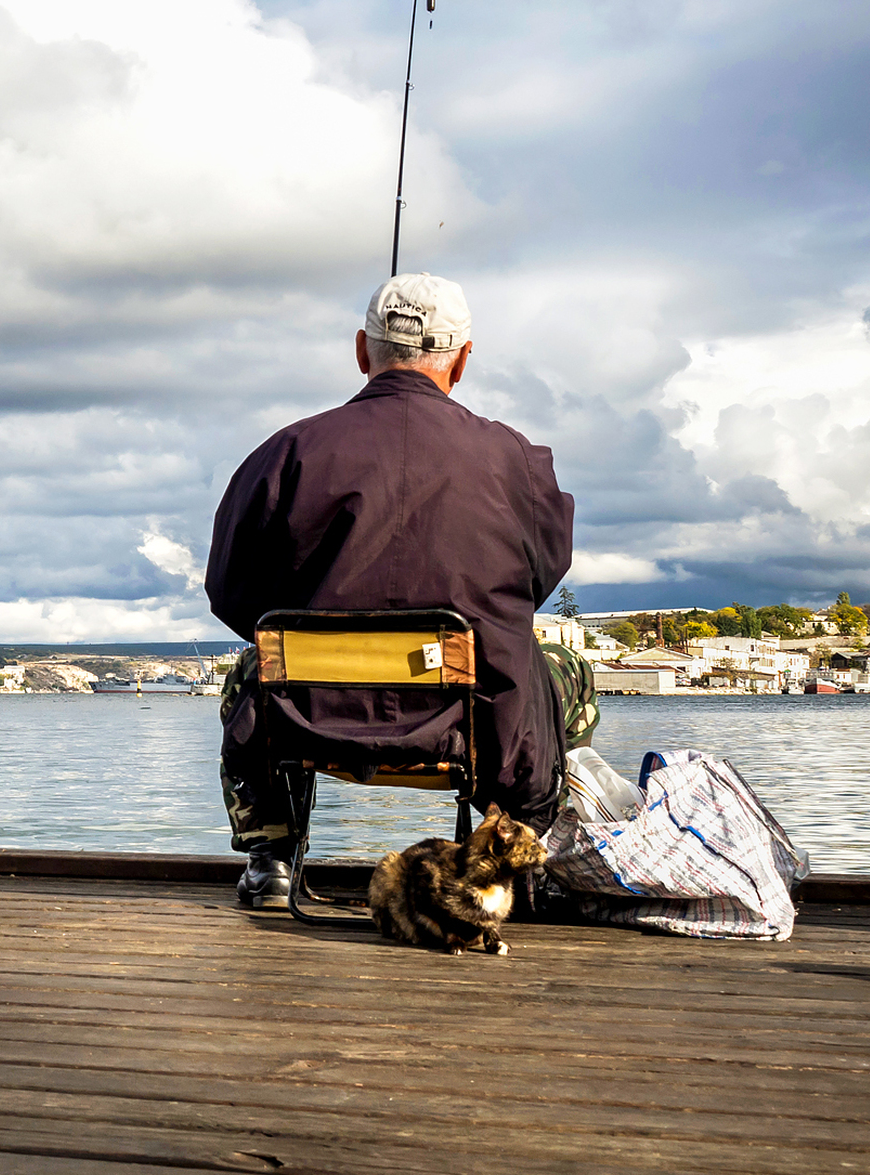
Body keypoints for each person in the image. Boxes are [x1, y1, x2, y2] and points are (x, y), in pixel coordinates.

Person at [204, 274, 595, 909]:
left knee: (252, 668)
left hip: (313, 720)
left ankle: (271, 858)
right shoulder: (517, 459)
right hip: (472, 723)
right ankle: (523, 847)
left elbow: (230, 593)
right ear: (464, 359)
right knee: (565, 669)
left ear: (363, 351)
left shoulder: (284, 454)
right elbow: (537, 583)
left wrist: (318, 644)